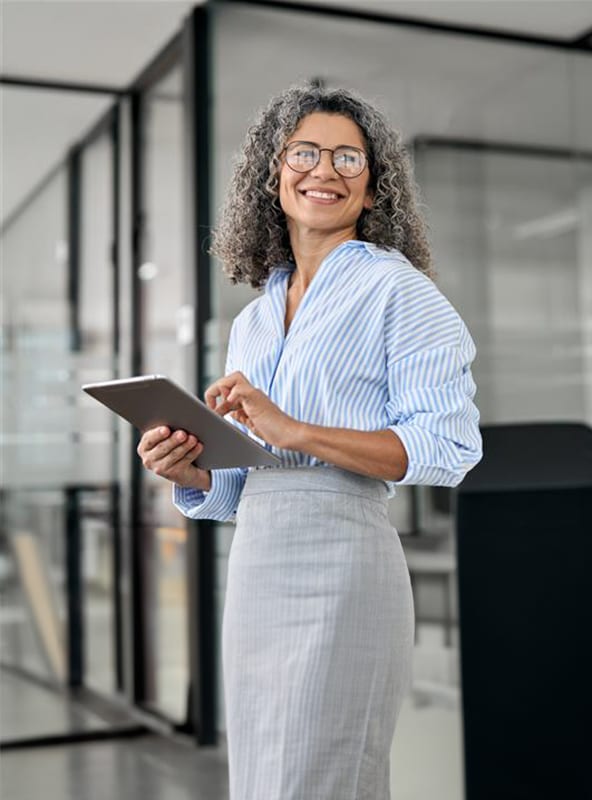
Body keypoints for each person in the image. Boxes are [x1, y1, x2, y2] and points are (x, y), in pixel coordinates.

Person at [137, 85, 482, 800]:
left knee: (324, 779)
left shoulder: (400, 292)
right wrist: (191, 470)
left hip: (344, 563)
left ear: (373, 186)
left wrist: (296, 431)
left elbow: (448, 446)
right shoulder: (254, 320)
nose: (324, 169)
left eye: (348, 158)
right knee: (262, 777)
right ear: (274, 174)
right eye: (305, 153)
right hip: (257, 564)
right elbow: (244, 480)